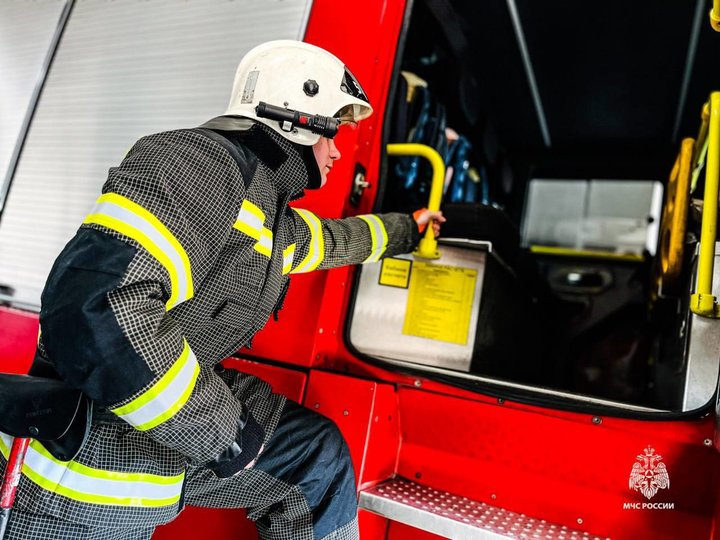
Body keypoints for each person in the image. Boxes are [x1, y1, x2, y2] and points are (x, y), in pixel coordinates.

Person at [0, 40, 444, 539]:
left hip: (162, 438)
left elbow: (333, 241)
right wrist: (222, 432)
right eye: (332, 132)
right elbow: (99, 310)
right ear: (297, 120)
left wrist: (409, 229)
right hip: (79, 480)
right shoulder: (199, 163)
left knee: (314, 456)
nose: (339, 150)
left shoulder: (270, 212)